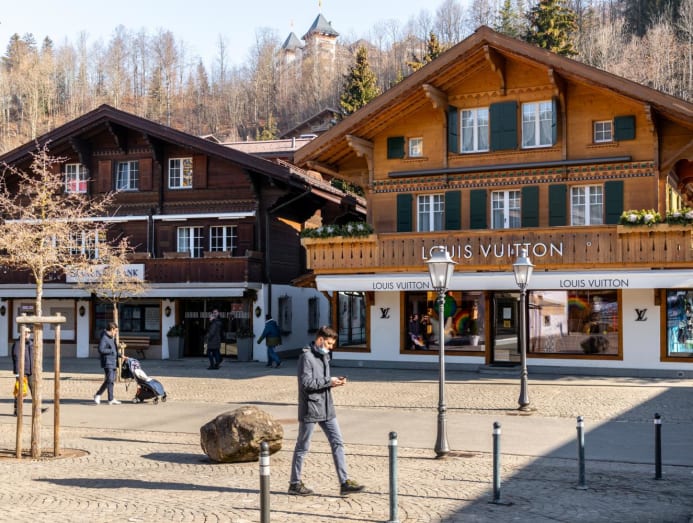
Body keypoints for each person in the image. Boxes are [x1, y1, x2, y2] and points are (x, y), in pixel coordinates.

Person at [288, 325, 365, 497]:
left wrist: (334, 382)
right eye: (329, 344)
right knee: (303, 446)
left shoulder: (324, 356)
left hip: (327, 408)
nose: (330, 348)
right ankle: (294, 483)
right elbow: (306, 384)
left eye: (331, 345)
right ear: (320, 339)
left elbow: (322, 382)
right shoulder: (306, 357)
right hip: (310, 408)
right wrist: (329, 381)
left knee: (338, 442)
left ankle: (344, 482)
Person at [11, 329, 48, 416]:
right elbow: (16, 358)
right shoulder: (17, 344)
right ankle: (17, 409)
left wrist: (38, 368)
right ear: (21, 333)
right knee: (21, 391)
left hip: (31, 371)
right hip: (22, 371)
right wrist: (17, 372)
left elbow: (35, 356)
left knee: (35, 390)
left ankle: (37, 409)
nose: (27, 334)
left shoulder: (31, 343)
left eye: (28, 333)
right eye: (25, 332)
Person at [94, 322, 121, 405]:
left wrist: (120, 355)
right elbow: (100, 349)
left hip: (113, 361)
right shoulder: (104, 338)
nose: (116, 333)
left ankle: (110, 399)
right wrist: (111, 351)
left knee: (111, 380)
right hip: (107, 362)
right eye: (115, 331)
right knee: (109, 379)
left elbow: (114, 350)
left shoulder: (111, 337)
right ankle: (98, 394)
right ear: (112, 329)